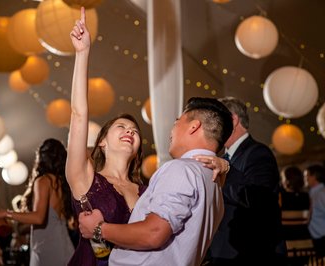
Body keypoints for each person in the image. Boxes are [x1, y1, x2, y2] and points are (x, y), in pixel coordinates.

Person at [67, 8, 230, 266]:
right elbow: (78, 114)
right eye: (121, 127)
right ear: (101, 140)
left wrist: (223, 164)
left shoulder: (148, 189)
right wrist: (82, 53)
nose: (130, 131)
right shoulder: (85, 178)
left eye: (134, 130)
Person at [78, 97, 234, 266]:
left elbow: (154, 233)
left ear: (194, 126)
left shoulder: (181, 169)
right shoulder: (215, 184)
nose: (171, 130)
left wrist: (99, 228)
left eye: (176, 122)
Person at [207, 96, 283, 266]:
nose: (212, 128)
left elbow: (259, 199)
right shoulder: (222, 158)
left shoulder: (258, 153)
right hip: (224, 252)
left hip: (251, 254)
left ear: (233, 120)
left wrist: (224, 175)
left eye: (216, 120)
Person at [0, 138, 75, 266]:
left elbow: (38, 218)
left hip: (47, 250)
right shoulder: (63, 183)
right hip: (65, 247)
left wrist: (5, 213)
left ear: (41, 157)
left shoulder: (43, 181)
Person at [304, 164, 325, 258]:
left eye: (306, 175)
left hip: (322, 238)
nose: (304, 178)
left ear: (314, 176)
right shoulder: (313, 193)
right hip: (315, 238)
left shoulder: (322, 194)